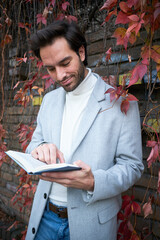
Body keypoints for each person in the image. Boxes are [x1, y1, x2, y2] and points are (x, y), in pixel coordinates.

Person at [25, 20, 144, 240]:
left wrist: (93, 182)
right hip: (44, 218)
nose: (59, 75)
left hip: (92, 225)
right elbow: (34, 144)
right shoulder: (49, 100)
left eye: (65, 63)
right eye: (51, 69)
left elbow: (133, 166)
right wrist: (40, 149)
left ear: (81, 52)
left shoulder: (120, 102)